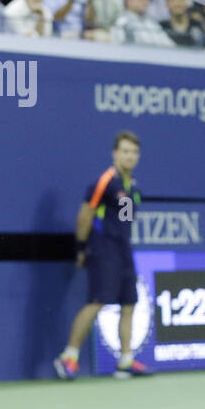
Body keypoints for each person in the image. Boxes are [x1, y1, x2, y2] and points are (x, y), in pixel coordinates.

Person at [53, 132, 150, 380]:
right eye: (125, 151)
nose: (130, 156)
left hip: (123, 249)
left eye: (134, 152)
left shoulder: (133, 186)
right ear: (115, 153)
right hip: (103, 248)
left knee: (129, 304)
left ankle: (125, 361)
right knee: (96, 302)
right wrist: (82, 247)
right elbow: (85, 215)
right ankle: (68, 357)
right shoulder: (104, 182)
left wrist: (123, 241)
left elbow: (125, 220)